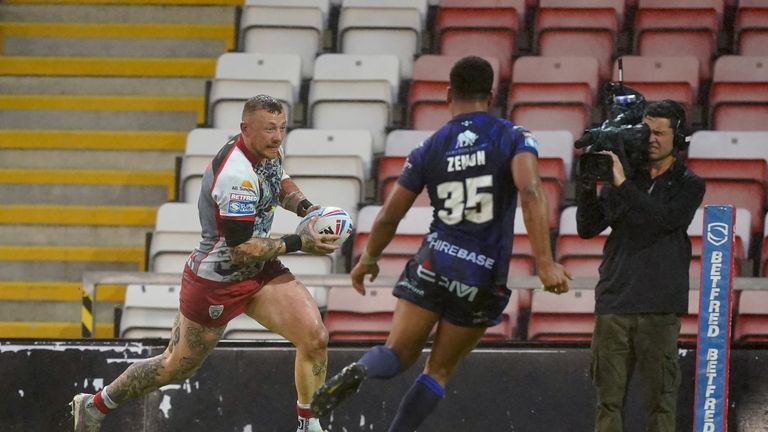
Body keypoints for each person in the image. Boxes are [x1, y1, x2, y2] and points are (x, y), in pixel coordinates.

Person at [310, 56, 573, 431]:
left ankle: (362, 368)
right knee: (439, 370)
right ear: (492, 95)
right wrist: (545, 263)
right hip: (480, 276)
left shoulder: (430, 147)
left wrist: (368, 258)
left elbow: (389, 215)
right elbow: (530, 190)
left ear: (448, 94)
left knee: (396, 353)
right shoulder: (513, 137)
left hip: (433, 263)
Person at [70, 94, 339, 432]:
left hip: (261, 270)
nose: (277, 137)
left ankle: (308, 424)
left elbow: (279, 180)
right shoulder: (236, 176)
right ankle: (95, 405)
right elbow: (240, 249)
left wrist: (306, 208)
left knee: (314, 337)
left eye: (282, 128)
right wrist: (301, 242)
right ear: (245, 128)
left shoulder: (266, 150)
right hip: (218, 281)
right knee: (176, 365)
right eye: (270, 129)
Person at [575, 100, 705, 431]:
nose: (651, 139)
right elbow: (588, 227)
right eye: (646, 132)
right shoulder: (627, 175)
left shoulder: (688, 183)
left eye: (660, 133)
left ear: (677, 138)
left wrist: (622, 184)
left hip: (659, 307)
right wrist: (588, 185)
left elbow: (664, 220)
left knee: (660, 403)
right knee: (608, 401)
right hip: (614, 302)